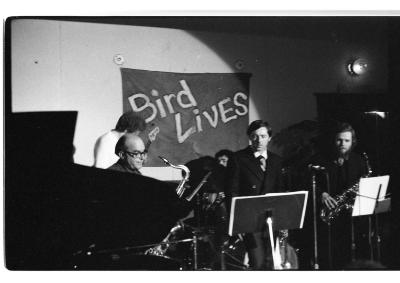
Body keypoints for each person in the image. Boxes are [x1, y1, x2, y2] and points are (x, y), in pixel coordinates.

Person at [228, 120, 284, 270]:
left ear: (269, 138)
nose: (259, 140)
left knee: (272, 263)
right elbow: (232, 192)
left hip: (272, 220)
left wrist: (283, 220)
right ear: (249, 137)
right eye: (254, 136)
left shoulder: (277, 161)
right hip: (249, 220)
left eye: (263, 136)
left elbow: (281, 190)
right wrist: (236, 223)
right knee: (258, 263)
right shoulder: (238, 158)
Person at [314, 122, 369, 269]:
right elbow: (308, 182)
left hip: (352, 216)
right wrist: (322, 194)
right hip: (329, 215)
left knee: (353, 254)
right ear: (334, 140)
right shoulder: (321, 160)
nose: (342, 144)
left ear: (353, 142)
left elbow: (364, 184)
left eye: (346, 141)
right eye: (339, 140)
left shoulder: (359, 160)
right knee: (331, 256)